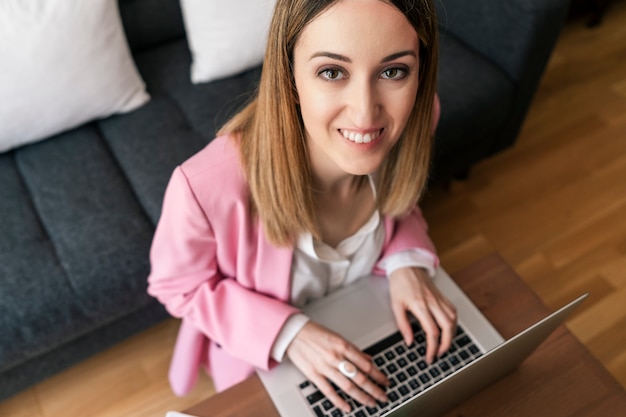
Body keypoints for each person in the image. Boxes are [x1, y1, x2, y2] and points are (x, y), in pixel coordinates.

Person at [147, 0, 456, 413]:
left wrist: (407, 263)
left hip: (373, 324)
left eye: (393, 71)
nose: (366, 114)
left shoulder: (418, 118)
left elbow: (404, 199)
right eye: (332, 72)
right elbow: (177, 287)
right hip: (267, 363)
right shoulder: (203, 186)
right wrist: (290, 333)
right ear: (289, 75)